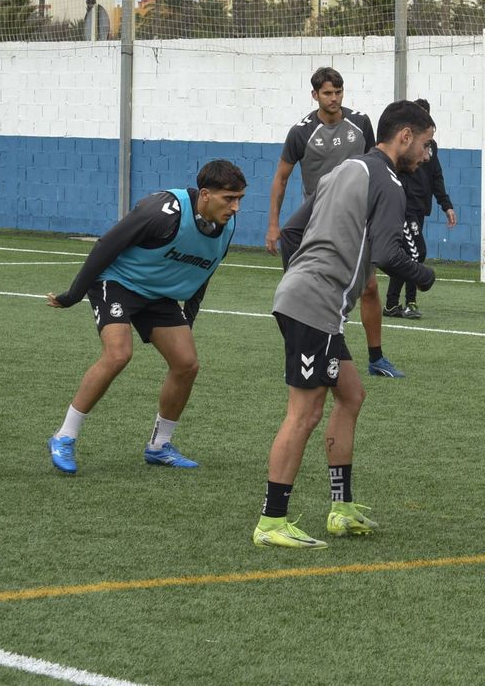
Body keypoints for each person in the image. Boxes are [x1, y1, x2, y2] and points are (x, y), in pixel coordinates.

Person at [254, 100, 437, 549]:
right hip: (314, 306)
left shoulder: (345, 168)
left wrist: (303, 279)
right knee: (305, 412)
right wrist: (425, 277)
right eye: (427, 144)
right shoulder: (390, 183)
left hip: (312, 303)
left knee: (351, 395)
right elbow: (389, 256)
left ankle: (340, 508)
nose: (428, 156)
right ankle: (271, 521)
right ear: (405, 136)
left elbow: (293, 232)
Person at [45, 160, 246, 475]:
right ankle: (64, 436)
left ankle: (158, 446)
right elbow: (107, 245)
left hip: (159, 294)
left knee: (186, 363)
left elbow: (201, 275)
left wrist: (186, 324)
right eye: (229, 199)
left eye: (240, 200)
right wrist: (74, 294)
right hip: (118, 281)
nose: (235, 207)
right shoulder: (163, 211)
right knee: (118, 354)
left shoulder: (226, 228)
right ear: (205, 194)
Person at [266, 67, 403, 378]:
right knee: (310, 287)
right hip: (317, 221)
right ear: (314, 95)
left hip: (357, 219)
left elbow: (380, 163)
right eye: (327, 93)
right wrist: (273, 225)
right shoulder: (301, 132)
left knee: (368, 285)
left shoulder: (360, 123)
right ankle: (306, 348)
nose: (334, 98)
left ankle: (376, 358)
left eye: (338, 92)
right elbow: (281, 178)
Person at [385, 98, 455, 319]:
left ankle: (392, 304)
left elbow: (436, 175)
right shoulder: (402, 147)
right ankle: (409, 302)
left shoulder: (430, 147)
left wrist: (446, 205)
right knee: (416, 253)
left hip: (420, 207)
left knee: (406, 254)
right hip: (405, 206)